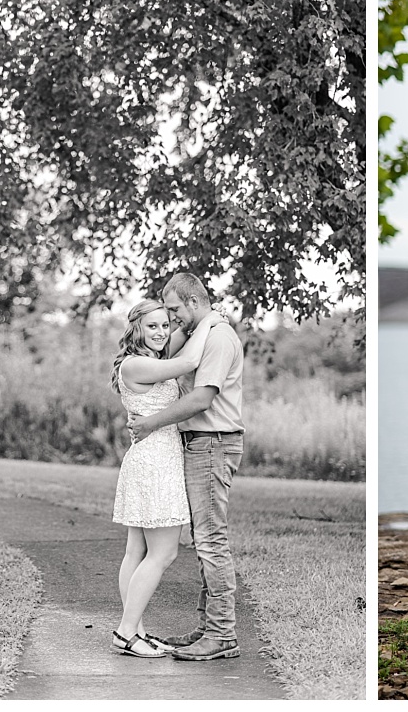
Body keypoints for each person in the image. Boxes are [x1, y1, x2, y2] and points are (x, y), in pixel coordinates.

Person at [126, 272, 246, 661]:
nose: (172, 319)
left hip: (213, 442)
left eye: (175, 310)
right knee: (202, 542)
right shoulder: (200, 333)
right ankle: (207, 628)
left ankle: (222, 634)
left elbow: (201, 399)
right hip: (197, 444)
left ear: (193, 302)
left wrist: (150, 423)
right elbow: (176, 357)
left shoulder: (217, 337)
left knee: (211, 541)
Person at [109, 300, 220, 658]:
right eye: (152, 326)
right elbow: (188, 361)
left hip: (151, 458)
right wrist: (212, 320)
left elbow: (181, 337)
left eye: (164, 325)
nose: (160, 332)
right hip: (155, 463)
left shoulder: (151, 359)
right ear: (136, 329)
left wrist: (195, 319)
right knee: (164, 552)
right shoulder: (137, 364)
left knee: (136, 551)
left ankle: (135, 631)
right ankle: (126, 632)